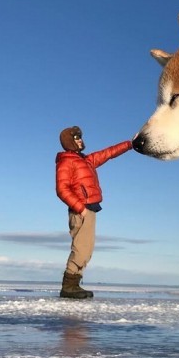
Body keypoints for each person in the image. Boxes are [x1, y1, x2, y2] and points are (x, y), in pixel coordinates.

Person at [55, 126, 132, 299]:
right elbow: (61, 188)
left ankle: (74, 284)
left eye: (80, 137)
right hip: (81, 210)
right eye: (76, 138)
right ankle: (68, 286)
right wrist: (80, 208)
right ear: (69, 141)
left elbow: (107, 153)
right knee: (81, 248)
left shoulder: (85, 160)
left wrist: (129, 144)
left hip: (89, 208)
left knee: (87, 249)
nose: (80, 140)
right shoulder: (67, 161)